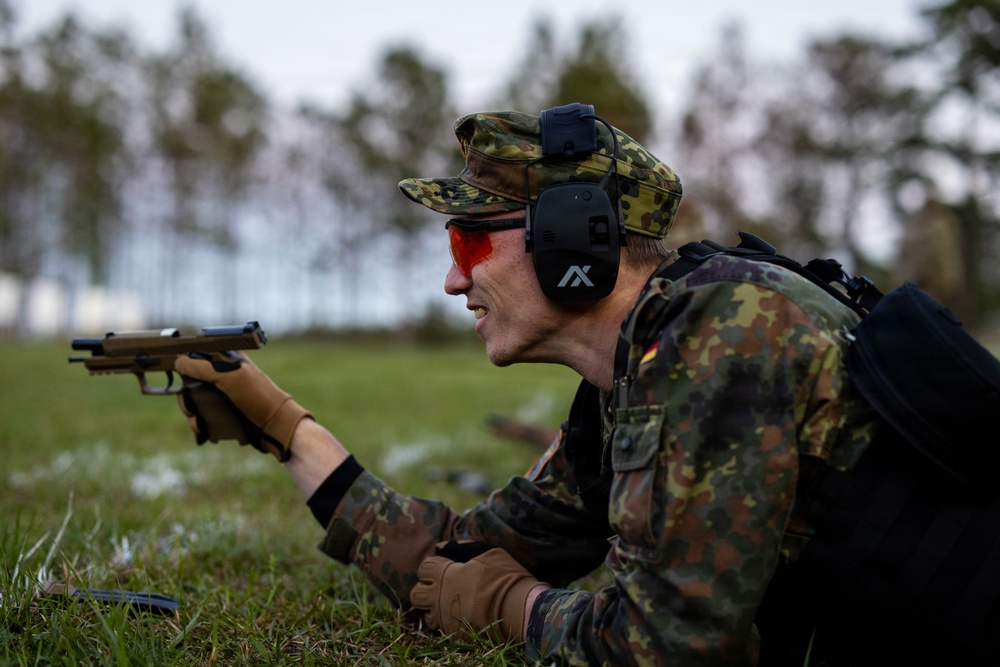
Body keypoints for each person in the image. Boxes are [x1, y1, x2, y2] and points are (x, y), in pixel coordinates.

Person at [173, 106, 976, 665]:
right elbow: (460, 557)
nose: (453, 280)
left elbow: (670, 650)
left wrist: (508, 607)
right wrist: (282, 425)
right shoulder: (631, 374)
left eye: (470, 241)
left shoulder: (727, 331)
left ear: (572, 239)